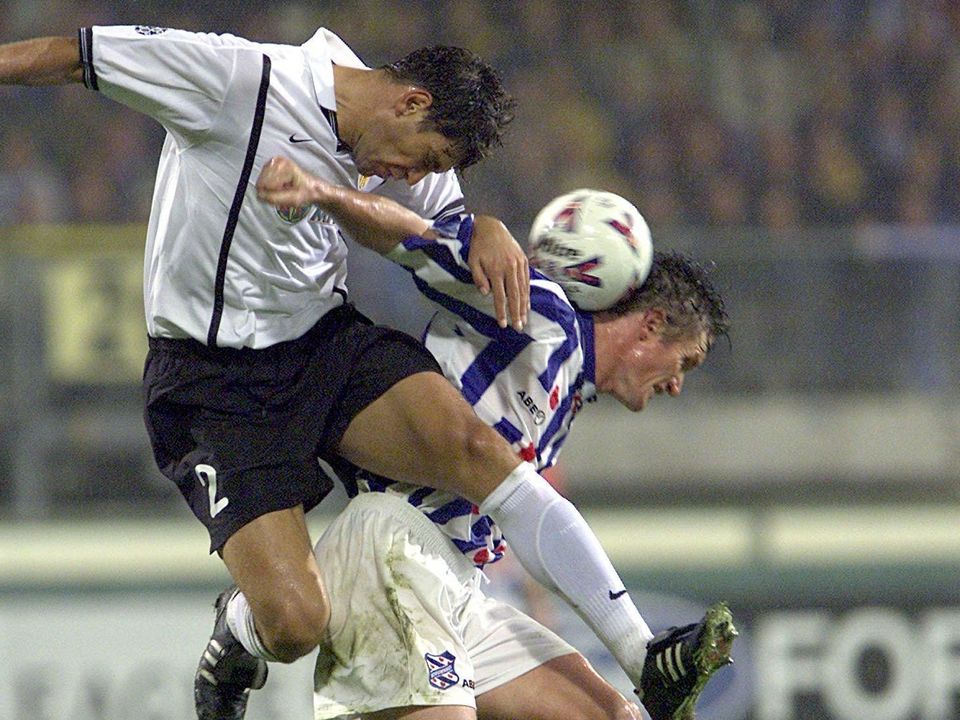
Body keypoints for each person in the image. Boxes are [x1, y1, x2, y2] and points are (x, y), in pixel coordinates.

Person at [0, 25, 717, 720]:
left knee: (477, 452)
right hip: (212, 381)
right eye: (426, 160)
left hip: (322, 343)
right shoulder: (245, 80)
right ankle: (244, 625)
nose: (415, 178)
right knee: (295, 623)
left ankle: (643, 652)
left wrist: (488, 227)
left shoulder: (406, 156)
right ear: (408, 104)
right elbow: (76, 56)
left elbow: (437, 237)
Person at [255, 156, 736, 720]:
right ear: (651, 325)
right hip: (398, 548)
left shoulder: (567, 391)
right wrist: (322, 193)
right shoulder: (537, 311)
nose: (677, 384)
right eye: (686, 361)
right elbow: (415, 242)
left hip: (461, 587)